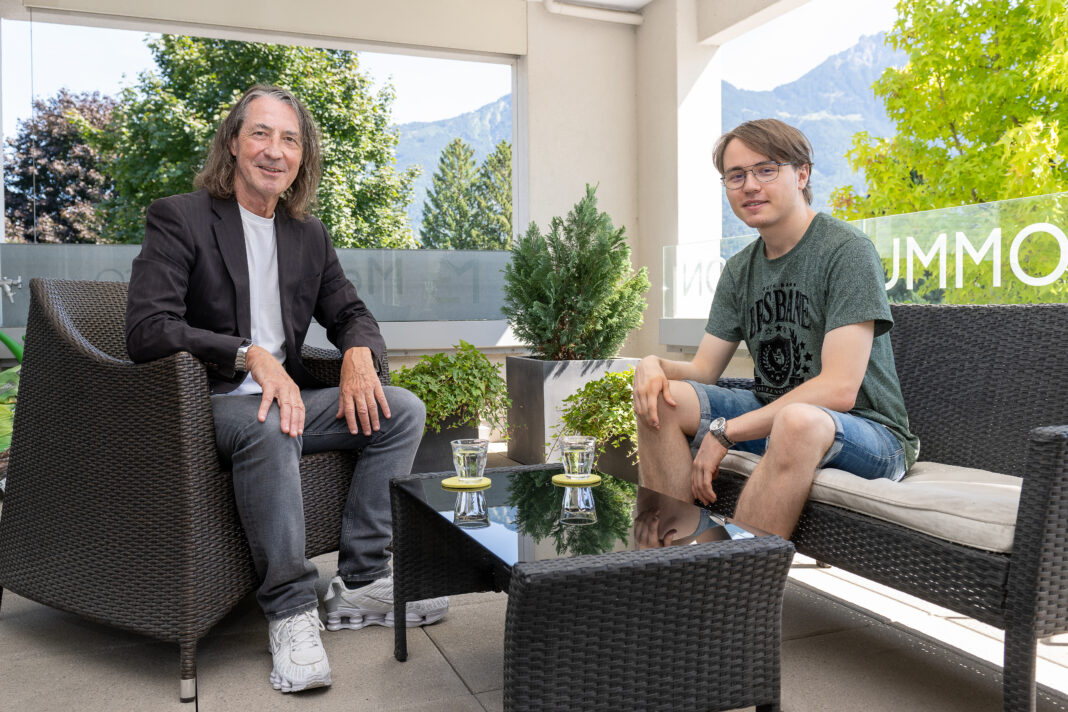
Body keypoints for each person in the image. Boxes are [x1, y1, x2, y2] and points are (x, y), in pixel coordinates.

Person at [125, 85, 447, 694]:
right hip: (211, 404)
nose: (275, 151)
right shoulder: (181, 217)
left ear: (303, 157)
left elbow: (351, 311)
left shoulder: (307, 235)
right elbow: (146, 330)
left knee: (400, 409)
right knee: (272, 421)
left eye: (290, 139)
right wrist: (247, 353)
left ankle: (358, 581)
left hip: (290, 399)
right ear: (233, 143)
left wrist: (357, 351)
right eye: (261, 134)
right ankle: (292, 612)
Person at [633, 118, 918, 540]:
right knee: (665, 399)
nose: (750, 185)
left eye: (766, 169)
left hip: (870, 432)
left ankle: (740, 590)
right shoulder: (739, 269)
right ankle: (672, 563)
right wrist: (653, 364)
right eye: (736, 175)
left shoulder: (846, 252)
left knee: (798, 421)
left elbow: (839, 389)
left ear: (802, 174)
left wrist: (725, 433)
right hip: (778, 418)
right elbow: (704, 370)